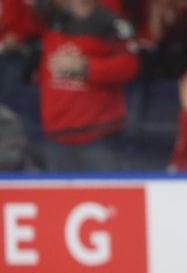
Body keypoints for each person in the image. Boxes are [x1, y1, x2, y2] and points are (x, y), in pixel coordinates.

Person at [36, 0, 139, 171]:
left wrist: (87, 68)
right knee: (59, 197)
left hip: (98, 135)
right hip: (56, 134)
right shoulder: (50, 19)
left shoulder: (114, 23)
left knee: (108, 195)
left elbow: (128, 67)